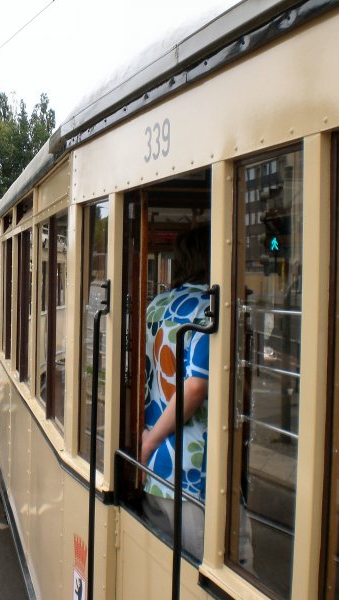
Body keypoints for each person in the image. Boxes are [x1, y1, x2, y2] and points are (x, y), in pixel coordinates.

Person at [141, 225, 211, 560]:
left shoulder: (157, 305)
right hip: (194, 474)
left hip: (154, 470)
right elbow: (196, 385)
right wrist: (154, 438)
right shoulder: (208, 306)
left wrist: (148, 443)